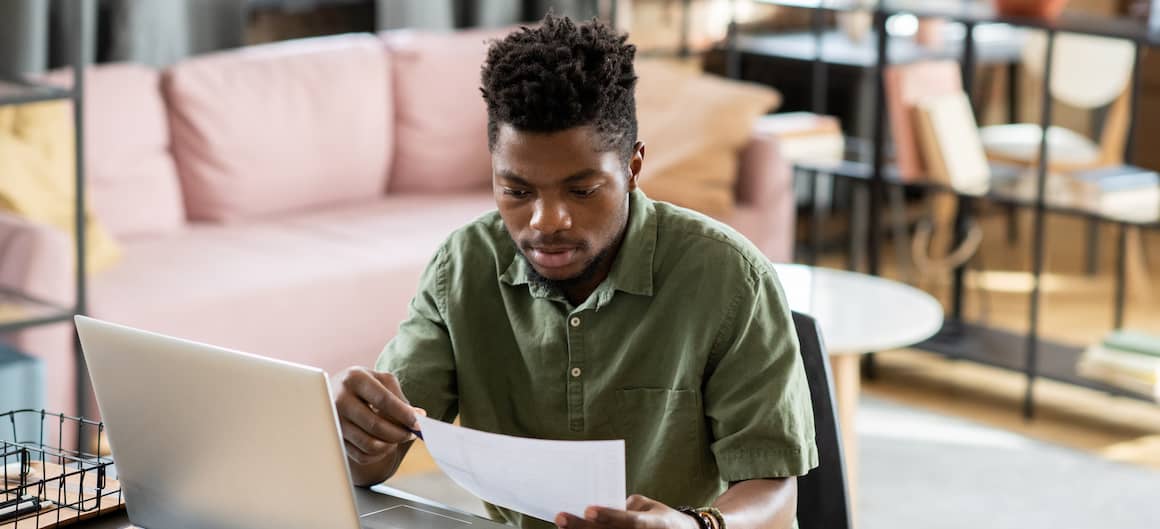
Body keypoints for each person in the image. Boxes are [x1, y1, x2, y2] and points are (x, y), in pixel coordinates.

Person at [331, 13, 817, 529]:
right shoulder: (463, 268)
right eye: (516, 191)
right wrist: (354, 432)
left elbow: (776, 498)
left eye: (581, 191)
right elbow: (375, 461)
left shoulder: (730, 278)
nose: (546, 222)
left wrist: (691, 526)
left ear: (632, 166)